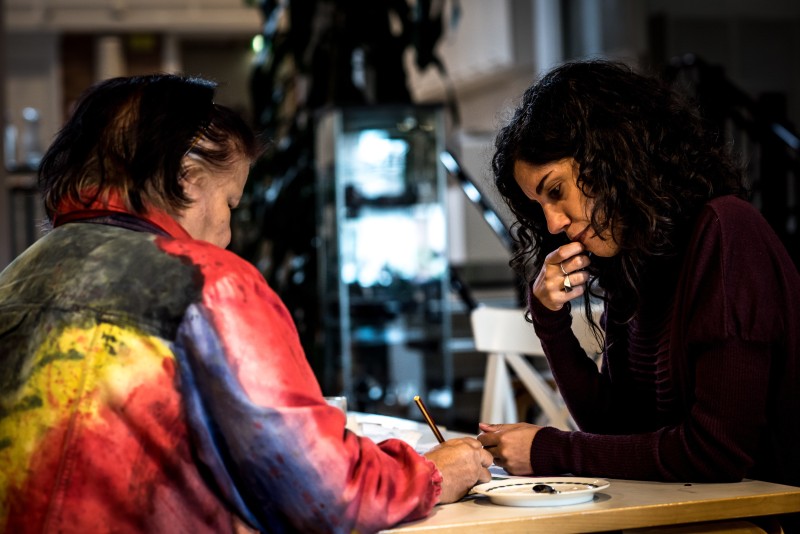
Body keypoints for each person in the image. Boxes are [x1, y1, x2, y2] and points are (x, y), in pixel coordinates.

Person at [0, 74, 493, 533]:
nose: (228, 234)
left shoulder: (16, 278)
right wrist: (431, 473)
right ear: (187, 177)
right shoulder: (209, 283)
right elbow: (326, 493)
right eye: (229, 204)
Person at [477, 60, 800, 496]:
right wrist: (550, 320)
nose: (553, 223)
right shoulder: (635, 261)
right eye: (540, 207)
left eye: (556, 191)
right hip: (684, 510)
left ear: (610, 156)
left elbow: (717, 452)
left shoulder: (726, 233)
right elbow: (614, 431)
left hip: (764, 518)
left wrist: (549, 450)